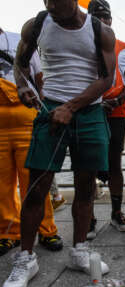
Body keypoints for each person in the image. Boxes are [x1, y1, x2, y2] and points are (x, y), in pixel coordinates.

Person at [1, 0, 115, 287]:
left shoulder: (98, 29)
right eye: (46, 0)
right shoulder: (38, 23)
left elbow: (107, 79)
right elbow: (21, 62)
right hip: (50, 110)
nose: (51, 5)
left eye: (57, 1)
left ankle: (79, 250)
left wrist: (72, 106)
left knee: (86, 186)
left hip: (88, 112)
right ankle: (26, 259)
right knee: (37, 188)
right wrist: (23, 84)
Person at [0, 29, 62, 258]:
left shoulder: (18, 39)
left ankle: (46, 229)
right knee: (2, 186)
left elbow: (39, 78)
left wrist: (47, 113)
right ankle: (9, 233)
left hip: (27, 120)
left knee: (34, 181)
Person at [86, 0, 125, 240]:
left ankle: (116, 212)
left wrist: (119, 98)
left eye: (107, 17)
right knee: (89, 165)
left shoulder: (123, 47)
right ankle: (89, 217)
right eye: (98, 17)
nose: (104, 21)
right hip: (90, 111)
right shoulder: (82, 45)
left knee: (114, 163)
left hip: (117, 112)